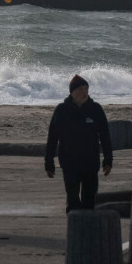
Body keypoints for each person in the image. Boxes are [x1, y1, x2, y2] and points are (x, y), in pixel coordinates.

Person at [44, 74, 112, 212]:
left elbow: (105, 136)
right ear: (72, 92)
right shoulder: (62, 110)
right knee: (73, 200)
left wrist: (108, 161)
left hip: (91, 162)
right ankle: (74, 228)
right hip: (69, 163)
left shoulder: (95, 109)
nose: (84, 92)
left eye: (86, 88)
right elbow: (52, 137)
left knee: (89, 201)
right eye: (80, 89)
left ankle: (87, 230)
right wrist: (49, 162)